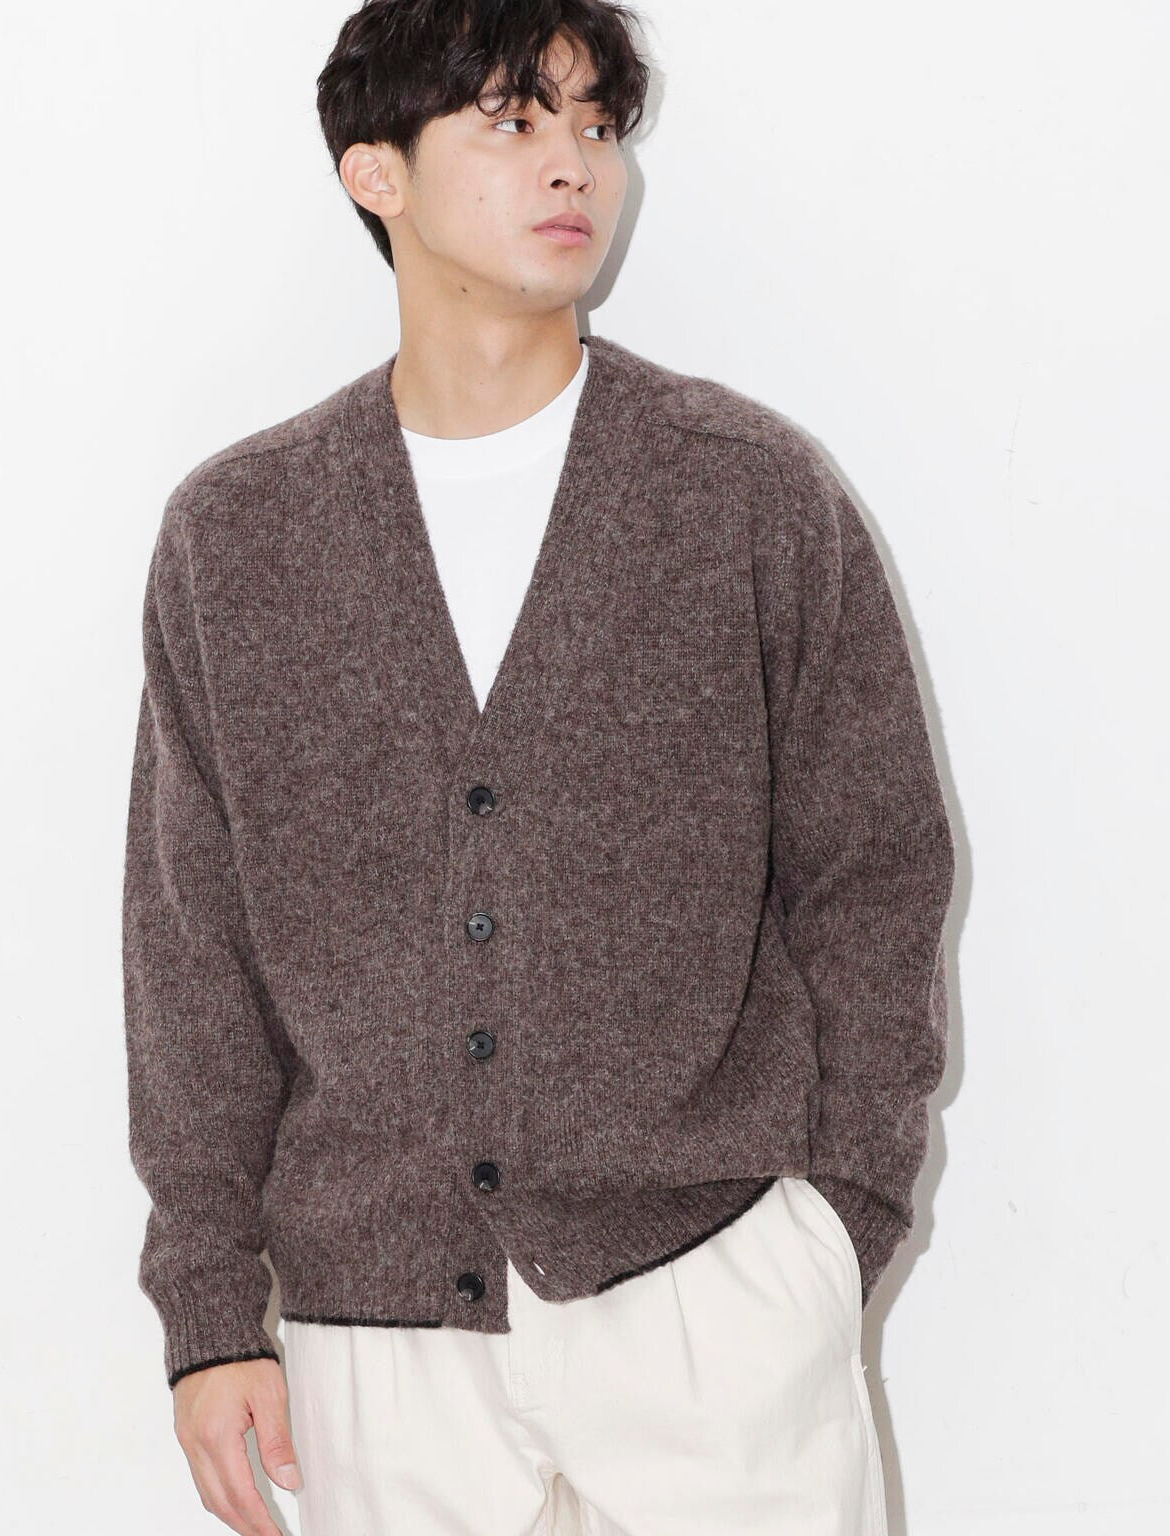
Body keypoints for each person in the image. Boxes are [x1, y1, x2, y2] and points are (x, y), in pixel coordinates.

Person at [121, 3, 955, 1533]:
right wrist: (208, 1313)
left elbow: (875, 874)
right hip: (377, 1344)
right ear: (376, 171)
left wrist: (838, 1227)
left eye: (596, 124)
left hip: (713, 1306)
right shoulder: (235, 540)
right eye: (513, 121)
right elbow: (193, 954)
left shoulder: (748, 496)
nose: (573, 164)